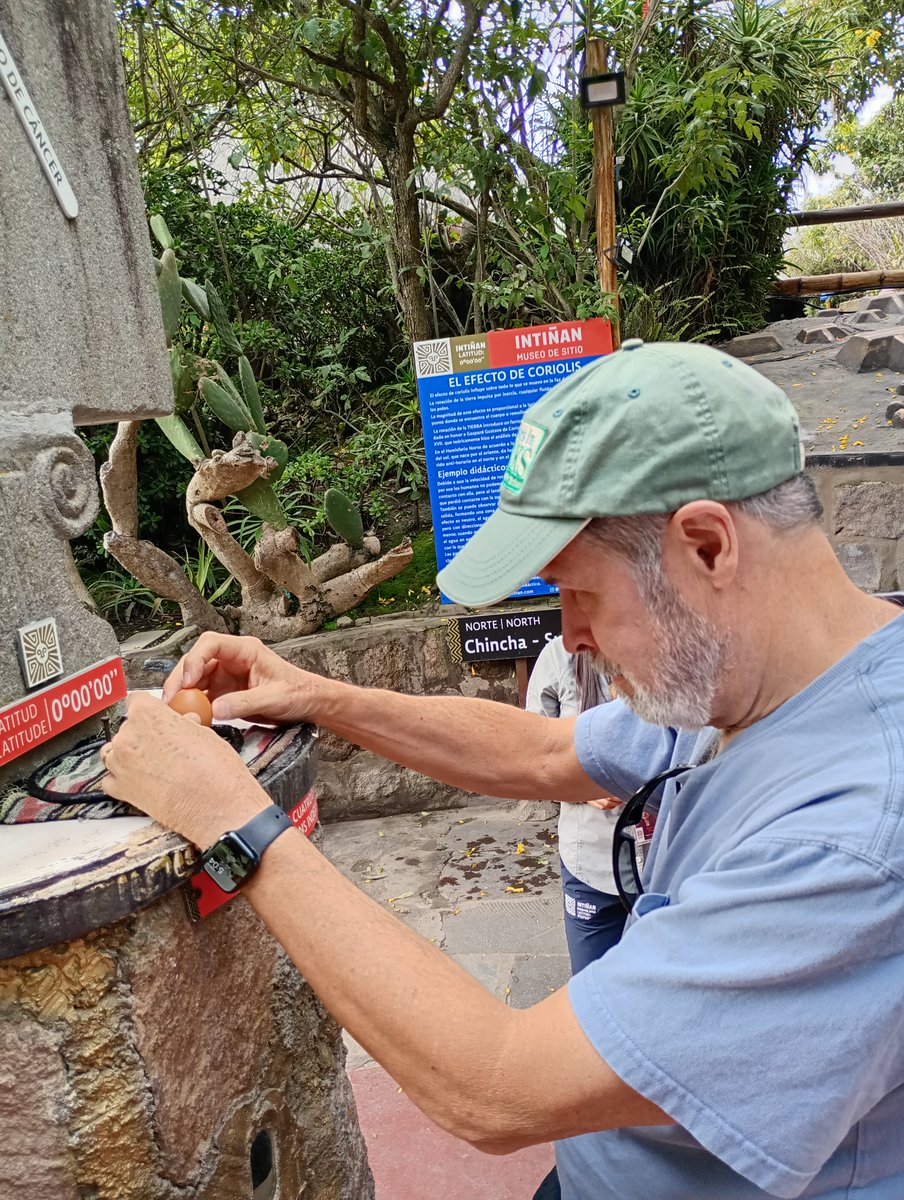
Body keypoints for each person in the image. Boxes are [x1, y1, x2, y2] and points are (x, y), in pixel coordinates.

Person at [101, 339, 904, 1200]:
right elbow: (547, 750)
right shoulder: (753, 682)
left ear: (706, 546)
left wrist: (235, 822)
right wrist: (315, 695)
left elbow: (497, 1088)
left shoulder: (855, 831)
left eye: (578, 592)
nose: (570, 636)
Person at [526, 638, 626, 971]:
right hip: (589, 860)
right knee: (590, 983)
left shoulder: (668, 649)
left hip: (663, 860)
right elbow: (535, 755)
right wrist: (580, 788)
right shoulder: (558, 657)